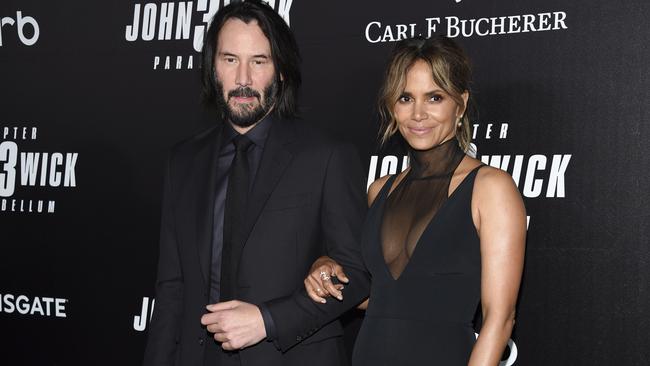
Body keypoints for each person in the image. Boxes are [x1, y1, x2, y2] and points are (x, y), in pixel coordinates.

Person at [142, 1, 370, 365]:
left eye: (259, 61)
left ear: (280, 71)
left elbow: (358, 274)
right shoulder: (182, 162)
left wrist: (268, 320)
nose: (243, 78)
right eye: (230, 60)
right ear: (212, 68)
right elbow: (172, 287)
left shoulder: (326, 157)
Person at [303, 36, 527, 365]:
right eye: (406, 97)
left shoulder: (491, 188)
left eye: (434, 97)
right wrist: (325, 268)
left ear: (460, 105)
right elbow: (379, 296)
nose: (418, 113)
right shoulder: (380, 190)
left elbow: (500, 319)